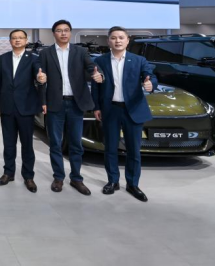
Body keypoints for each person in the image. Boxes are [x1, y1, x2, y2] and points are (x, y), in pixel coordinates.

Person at [92, 26, 158, 203]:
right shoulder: (100, 61)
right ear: (108, 41)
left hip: (133, 110)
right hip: (110, 110)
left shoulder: (139, 60)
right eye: (114, 38)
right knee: (110, 148)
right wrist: (96, 107)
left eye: (121, 37)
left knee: (134, 150)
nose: (118, 41)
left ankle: (132, 184)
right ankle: (113, 181)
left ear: (127, 40)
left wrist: (150, 84)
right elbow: (96, 87)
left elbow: (150, 76)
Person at [39, 20, 104, 196]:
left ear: (70, 32)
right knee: (55, 143)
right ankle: (58, 177)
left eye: (66, 30)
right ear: (54, 33)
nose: (63, 33)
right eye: (59, 30)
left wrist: (98, 74)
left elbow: (92, 67)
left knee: (76, 143)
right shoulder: (45, 53)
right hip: (55, 103)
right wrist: (41, 89)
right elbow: (40, 77)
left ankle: (76, 178)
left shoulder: (80, 51)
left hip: (76, 103)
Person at [0, 29, 44, 193]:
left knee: (27, 144)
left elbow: (39, 74)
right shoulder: (3, 58)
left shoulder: (34, 58)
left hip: (26, 107)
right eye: (14, 38)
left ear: (26, 40)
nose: (17, 40)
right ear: (10, 41)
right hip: (7, 106)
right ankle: (8, 173)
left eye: (21, 38)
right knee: (8, 143)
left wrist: (40, 78)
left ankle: (28, 176)